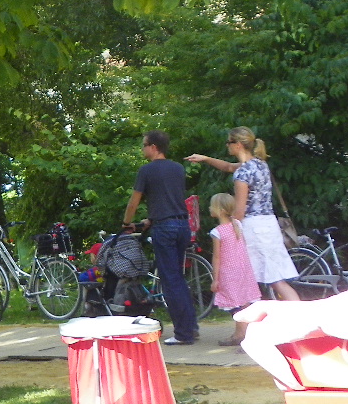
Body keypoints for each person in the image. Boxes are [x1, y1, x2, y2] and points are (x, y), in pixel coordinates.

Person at [187, 126, 300, 302]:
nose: (227, 145)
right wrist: (206, 159)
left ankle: (290, 314)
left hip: (253, 228)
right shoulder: (260, 164)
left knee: (259, 280)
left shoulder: (243, 172)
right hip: (269, 225)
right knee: (276, 279)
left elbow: (239, 210)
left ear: (238, 144)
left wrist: (228, 229)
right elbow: (228, 166)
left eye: (229, 142)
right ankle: (296, 313)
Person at [122, 130, 199, 345]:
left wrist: (126, 222)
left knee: (170, 280)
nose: (142, 149)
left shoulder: (146, 170)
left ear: (153, 147)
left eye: (144, 145)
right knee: (178, 278)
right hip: (182, 225)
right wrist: (151, 219)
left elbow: (134, 201)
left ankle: (183, 334)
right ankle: (191, 326)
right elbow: (170, 199)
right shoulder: (178, 168)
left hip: (164, 229)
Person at [208, 193, 261, 347]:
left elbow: (217, 257)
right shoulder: (237, 225)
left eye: (212, 206)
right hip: (243, 270)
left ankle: (245, 336)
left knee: (235, 305)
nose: (209, 208)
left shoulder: (217, 232)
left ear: (220, 210)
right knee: (244, 302)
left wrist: (215, 279)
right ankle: (240, 333)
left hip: (229, 273)